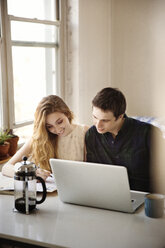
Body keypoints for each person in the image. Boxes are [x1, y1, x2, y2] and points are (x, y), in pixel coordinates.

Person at [2, 95, 88, 180]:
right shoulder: (39, 138)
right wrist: (30, 173)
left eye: (60, 122)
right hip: (47, 192)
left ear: (67, 114)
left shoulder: (84, 132)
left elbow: (91, 170)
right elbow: (6, 168)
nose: (57, 130)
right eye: (50, 126)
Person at [85, 87, 153, 192]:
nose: (98, 125)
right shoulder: (92, 135)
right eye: (95, 117)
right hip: (106, 193)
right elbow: (93, 172)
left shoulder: (148, 133)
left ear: (120, 116)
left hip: (143, 196)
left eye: (105, 120)